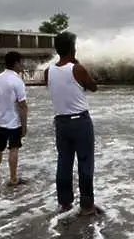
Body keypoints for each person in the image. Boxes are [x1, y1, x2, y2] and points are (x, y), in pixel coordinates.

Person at [44, 31, 99, 216]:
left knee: (64, 162)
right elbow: (93, 86)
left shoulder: (48, 71)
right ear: (71, 48)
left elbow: (58, 87)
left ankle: (65, 203)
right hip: (80, 122)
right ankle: (87, 206)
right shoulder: (78, 69)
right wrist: (78, 66)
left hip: (61, 122)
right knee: (85, 163)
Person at [0, 51, 28, 186]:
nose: (22, 65)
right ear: (16, 63)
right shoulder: (17, 81)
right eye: (21, 62)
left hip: (0, 120)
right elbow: (22, 106)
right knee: (14, 148)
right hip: (13, 122)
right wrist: (24, 126)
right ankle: (13, 178)